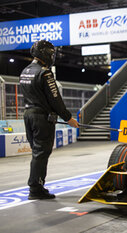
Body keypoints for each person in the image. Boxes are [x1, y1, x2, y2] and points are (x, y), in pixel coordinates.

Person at [20, 40, 79, 200]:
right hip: (41, 118)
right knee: (41, 153)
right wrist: (68, 118)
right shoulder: (44, 73)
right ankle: (36, 188)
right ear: (44, 53)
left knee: (36, 152)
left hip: (28, 115)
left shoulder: (25, 71)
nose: (52, 56)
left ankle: (35, 186)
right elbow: (55, 99)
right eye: (51, 53)